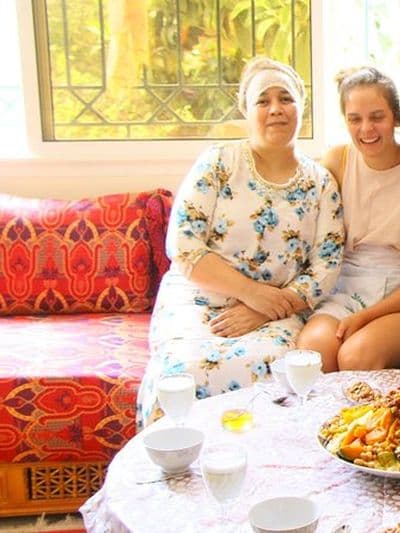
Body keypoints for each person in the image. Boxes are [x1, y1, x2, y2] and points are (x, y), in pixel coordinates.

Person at [137, 57, 345, 427]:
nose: (276, 109)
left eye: (286, 98)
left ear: (302, 106)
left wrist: (266, 306)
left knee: (282, 369)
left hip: (278, 310)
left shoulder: (321, 182)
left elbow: (324, 268)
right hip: (199, 300)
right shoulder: (218, 163)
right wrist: (251, 293)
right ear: (246, 110)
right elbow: (184, 247)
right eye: (263, 101)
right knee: (182, 370)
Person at [296, 67, 400, 372]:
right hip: (345, 287)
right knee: (313, 353)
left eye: (377, 117)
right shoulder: (338, 160)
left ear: (395, 118)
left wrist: (364, 318)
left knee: (355, 357)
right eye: (355, 119)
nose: (366, 129)